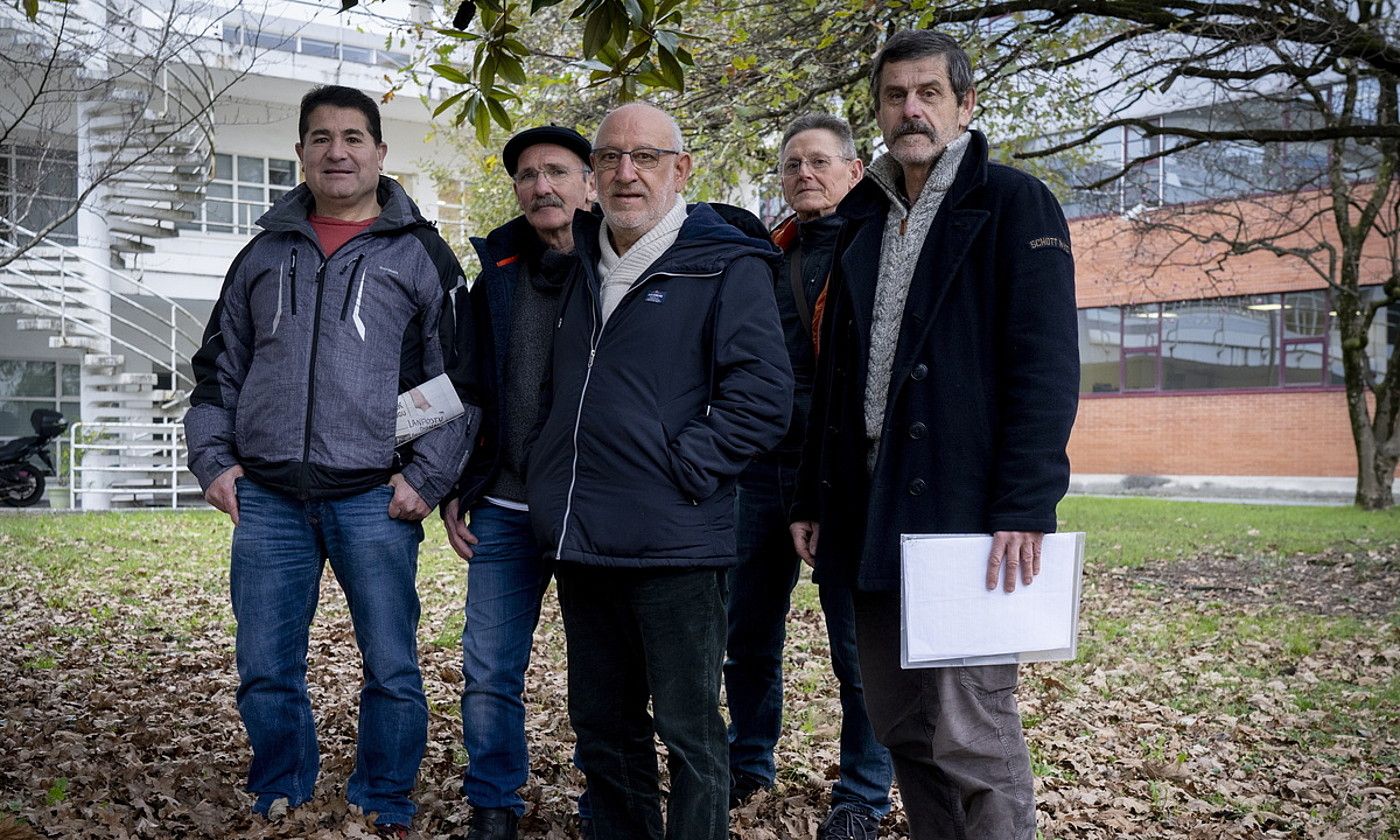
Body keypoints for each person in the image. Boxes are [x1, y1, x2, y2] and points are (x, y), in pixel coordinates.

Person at [789, 30, 1079, 840]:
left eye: (929, 93)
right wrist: (812, 492)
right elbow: (834, 375)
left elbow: (1046, 367)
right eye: (894, 95)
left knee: (973, 733)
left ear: (964, 104)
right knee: (902, 726)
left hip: (968, 516)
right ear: (878, 109)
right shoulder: (863, 217)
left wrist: (1025, 504)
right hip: (869, 513)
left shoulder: (1014, 204)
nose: (910, 109)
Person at [184, 85, 481, 839]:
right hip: (270, 500)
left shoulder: (421, 254)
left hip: (371, 501)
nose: (337, 151)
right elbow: (218, 369)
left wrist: (428, 475)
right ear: (301, 154)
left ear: (381, 152)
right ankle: (281, 786)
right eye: (321, 137)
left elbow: (459, 379)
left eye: (353, 137)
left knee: (391, 667)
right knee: (264, 668)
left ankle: (383, 797)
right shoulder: (262, 253)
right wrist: (213, 461)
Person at [526, 102, 793, 840]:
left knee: (689, 731)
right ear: (591, 176)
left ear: (681, 170)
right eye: (609, 157)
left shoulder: (726, 265)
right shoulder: (577, 266)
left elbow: (764, 397)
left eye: (644, 157)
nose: (625, 172)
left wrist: (682, 468)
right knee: (602, 726)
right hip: (583, 538)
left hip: (676, 540)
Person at [723, 113, 894, 840]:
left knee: (854, 648)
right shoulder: (767, 255)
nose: (804, 175)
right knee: (748, 634)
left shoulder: (880, 249)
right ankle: (748, 763)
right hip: (763, 470)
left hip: (844, 475)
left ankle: (862, 793)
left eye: (819, 162)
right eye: (793, 165)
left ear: (854, 172)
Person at [440, 125, 596, 840]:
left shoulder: (624, 260)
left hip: (597, 509)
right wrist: (455, 482)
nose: (543, 186)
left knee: (605, 676)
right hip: (503, 507)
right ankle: (494, 802)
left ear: (589, 183)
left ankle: (608, 801)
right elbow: (467, 386)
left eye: (558, 172)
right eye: (528, 176)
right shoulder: (497, 272)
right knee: (489, 669)